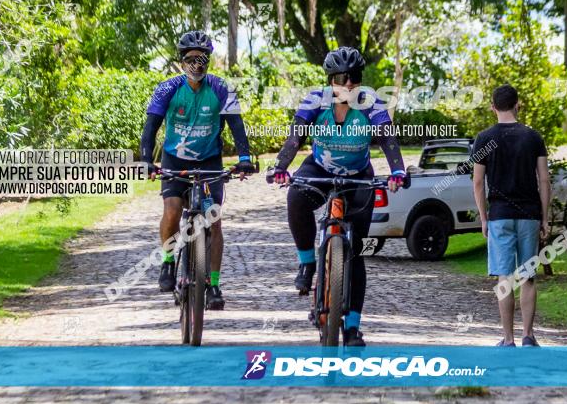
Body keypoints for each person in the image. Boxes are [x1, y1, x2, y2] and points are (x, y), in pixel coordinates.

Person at [271, 46, 406, 347]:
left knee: (356, 252)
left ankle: (354, 327)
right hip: (320, 166)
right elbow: (296, 136)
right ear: (331, 80)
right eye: (342, 78)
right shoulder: (315, 100)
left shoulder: (370, 101)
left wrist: (398, 171)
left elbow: (387, 139)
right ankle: (307, 263)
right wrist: (280, 167)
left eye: (354, 78)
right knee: (296, 197)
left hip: (358, 175)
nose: (349, 84)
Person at [140, 30, 255, 311]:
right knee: (172, 210)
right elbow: (151, 127)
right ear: (181, 61)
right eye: (190, 59)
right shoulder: (166, 89)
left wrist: (244, 158)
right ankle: (168, 263)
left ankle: (213, 283)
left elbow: (236, 125)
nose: (196, 64)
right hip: (175, 160)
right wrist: (146, 159)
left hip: (209, 161)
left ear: (208, 61)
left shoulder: (221, 88)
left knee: (213, 222)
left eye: (202, 59)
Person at [472, 84, 550, 347]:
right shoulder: (533, 137)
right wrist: (545, 217)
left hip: (500, 215)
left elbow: (478, 182)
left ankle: (508, 339)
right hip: (529, 214)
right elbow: (545, 180)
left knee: (505, 278)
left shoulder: (484, 139)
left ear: (493, 107)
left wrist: (483, 217)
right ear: (518, 104)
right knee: (528, 277)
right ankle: (529, 335)